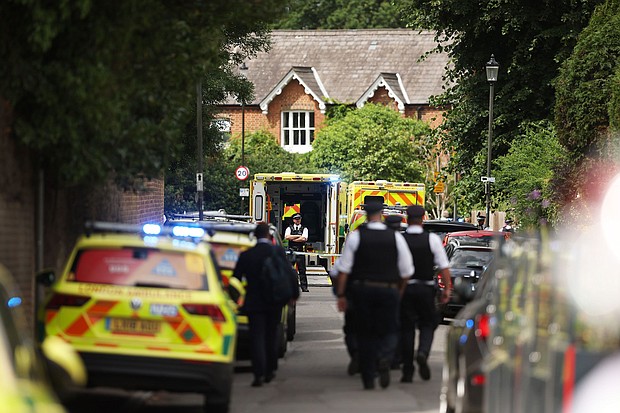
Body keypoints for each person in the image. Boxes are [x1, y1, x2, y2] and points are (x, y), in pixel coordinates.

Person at [335, 201, 414, 390]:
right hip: (388, 290)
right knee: (389, 329)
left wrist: (341, 294)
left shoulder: (356, 237)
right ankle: (385, 357)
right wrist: (399, 290)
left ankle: (368, 377)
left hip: (363, 291)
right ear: (381, 214)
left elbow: (344, 269)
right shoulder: (395, 237)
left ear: (366, 214)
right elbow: (407, 270)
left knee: (365, 333)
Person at [233, 222, 300, 387]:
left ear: (254, 236)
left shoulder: (247, 255)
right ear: (270, 237)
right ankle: (271, 370)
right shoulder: (277, 252)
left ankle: (258, 374)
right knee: (271, 334)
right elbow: (289, 272)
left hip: (254, 302)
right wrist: (294, 294)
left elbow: (235, 279)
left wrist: (237, 299)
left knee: (257, 337)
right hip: (275, 301)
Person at [399, 205, 452, 383]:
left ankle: (407, 370)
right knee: (428, 324)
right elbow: (444, 267)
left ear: (407, 218)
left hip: (405, 290)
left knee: (406, 329)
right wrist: (447, 289)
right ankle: (422, 352)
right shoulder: (432, 240)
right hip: (426, 289)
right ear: (423, 218)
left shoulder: (400, 239)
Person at [285, 213, 309, 292]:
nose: (297, 220)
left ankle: (304, 287)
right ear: (293, 220)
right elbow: (287, 237)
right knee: (289, 270)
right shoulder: (289, 228)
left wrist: (293, 238)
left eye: (299, 219)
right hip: (291, 251)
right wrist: (299, 236)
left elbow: (304, 238)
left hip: (300, 251)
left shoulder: (304, 228)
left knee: (302, 270)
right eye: (296, 219)